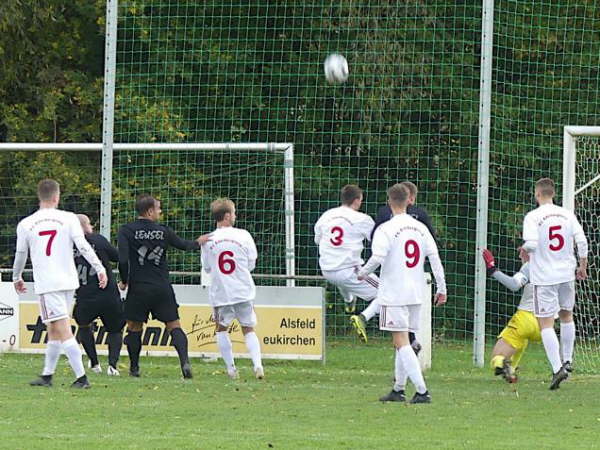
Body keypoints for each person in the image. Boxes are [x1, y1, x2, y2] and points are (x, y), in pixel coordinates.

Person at [12, 179, 107, 389]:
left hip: (48, 283)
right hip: (68, 281)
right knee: (54, 327)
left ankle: (82, 378)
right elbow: (83, 245)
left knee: (62, 328)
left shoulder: (27, 223)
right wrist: (99, 268)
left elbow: (20, 254)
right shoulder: (69, 218)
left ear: (40, 197)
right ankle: (47, 375)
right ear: (57, 197)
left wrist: (16, 276)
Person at [358, 184, 447, 404]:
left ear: (389, 202)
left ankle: (422, 391)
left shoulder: (385, 229)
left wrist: (363, 272)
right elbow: (434, 258)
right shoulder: (420, 228)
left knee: (401, 341)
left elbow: (377, 257)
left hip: (394, 292)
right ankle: (398, 389)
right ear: (409, 200)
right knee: (403, 341)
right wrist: (442, 287)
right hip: (417, 292)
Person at [117, 194, 210, 379]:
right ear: (150, 211)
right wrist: (198, 242)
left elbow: (123, 259)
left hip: (139, 287)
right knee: (174, 325)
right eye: (158, 208)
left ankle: (134, 368)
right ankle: (185, 362)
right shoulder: (163, 231)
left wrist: (124, 279)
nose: (160, 211)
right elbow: (183, 245)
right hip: (162, 287)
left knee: (134, 327)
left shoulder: (126, 230)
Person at [521, 177, 588, 390]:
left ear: (537, 194)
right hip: (566, 274)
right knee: (567, 315)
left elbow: (531, 243)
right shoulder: (567, 214)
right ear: (553, 194)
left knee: (545, 323)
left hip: (544, 277)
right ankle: (567, 360)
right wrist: (582, 266)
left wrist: (525, 250)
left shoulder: (533, 216)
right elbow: (582, 241)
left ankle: (557, 367)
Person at [351, 181, 433, 350]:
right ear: (409, 198)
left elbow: (375, 237)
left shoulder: (387, 213)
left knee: (388, 296)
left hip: (393, 266)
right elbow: (431, 243)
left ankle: (365, 317)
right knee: (401, 317)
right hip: (411, 271)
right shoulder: (418, 216)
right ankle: (410, 341)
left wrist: (365, 270)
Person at [201, 198, 263, 379]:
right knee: (248, 329)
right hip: (243, 290)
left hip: (221, 293)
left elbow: (207, 267)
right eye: (234, 213)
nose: (235, 216)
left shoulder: (208, 239)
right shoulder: (243, 235)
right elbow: (252, 262)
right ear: (227, 216)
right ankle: (257, 365)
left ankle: (231, 369)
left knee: (221, 329)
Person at [314, 185, 378, 320]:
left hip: (326, 270)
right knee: (387, 294)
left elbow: (317, 240)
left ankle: (349, 300)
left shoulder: (326, 216)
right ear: (356, 200)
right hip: (348, 271)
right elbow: (378, 242)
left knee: (343, 276)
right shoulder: (362, 219)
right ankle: (362, 318)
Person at [73, 214, 124, 376]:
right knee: (115, 330)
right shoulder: (98, 240)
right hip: (107, 293)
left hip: (84, 294)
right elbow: (118, 257)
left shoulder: (68, 244)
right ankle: (112, 366)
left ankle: (94, 363)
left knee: (84, 326)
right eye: (89, 224)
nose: (92, 227)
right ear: (83, 226)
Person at [483, 248, 540, 383]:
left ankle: (502, 364)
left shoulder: (530, 266)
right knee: (522, 340)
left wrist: (492, 269)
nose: (520, 254)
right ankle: (512, 369)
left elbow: (514, 285)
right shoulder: (557, 267)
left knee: (496, 358)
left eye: (523, 250)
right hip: (545, 324)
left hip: (525, 319)